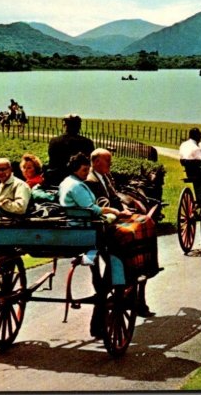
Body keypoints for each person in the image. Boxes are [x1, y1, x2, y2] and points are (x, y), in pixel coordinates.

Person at [86, 148, 157, 318]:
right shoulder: (92, 180)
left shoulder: (103, 177)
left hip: (109, 217)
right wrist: (119, 213)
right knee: (142, 227)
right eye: (107, 161)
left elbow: (115, 198)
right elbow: (102, 204)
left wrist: (123, 209)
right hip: (104, 226)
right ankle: (140, 268)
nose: (111, 164)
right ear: (96, 162)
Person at [59, 153, 131, 220]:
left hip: (75, 217)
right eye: (84, 170)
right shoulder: (76, 186)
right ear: (75, 170)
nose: (87, 173)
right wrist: (114, 211)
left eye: (88, 169)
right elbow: (92, 210)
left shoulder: (67, 181)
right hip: (80, 221)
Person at [46, 114, 96, 185]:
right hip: (78, 180)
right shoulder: (87, 142)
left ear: (65, 125)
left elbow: (52, 162)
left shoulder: (54, 141)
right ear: (79, 126)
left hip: (56, 179)